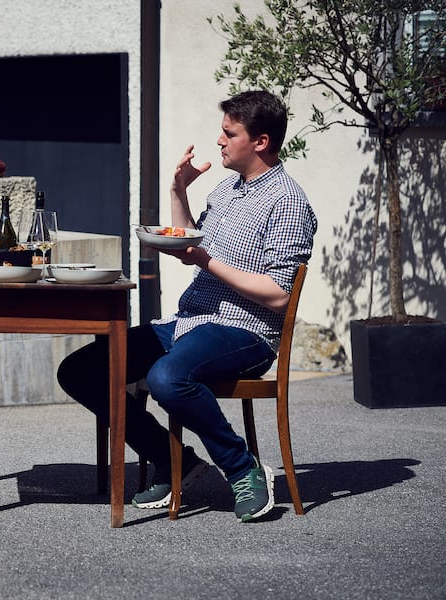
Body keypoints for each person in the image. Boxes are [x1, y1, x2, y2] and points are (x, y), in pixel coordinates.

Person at [58, 90, 317, 522]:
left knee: (168, 376)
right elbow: (190, 238)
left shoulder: (287, 201)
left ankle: (242, 467)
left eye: (229, 133)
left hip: (245, 330)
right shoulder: (229, 189)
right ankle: (172, 459)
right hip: (188, 321)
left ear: (261, 142)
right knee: (81, 371)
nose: (219, 140)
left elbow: (278, 293)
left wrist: (205, 260)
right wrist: (178, 188)